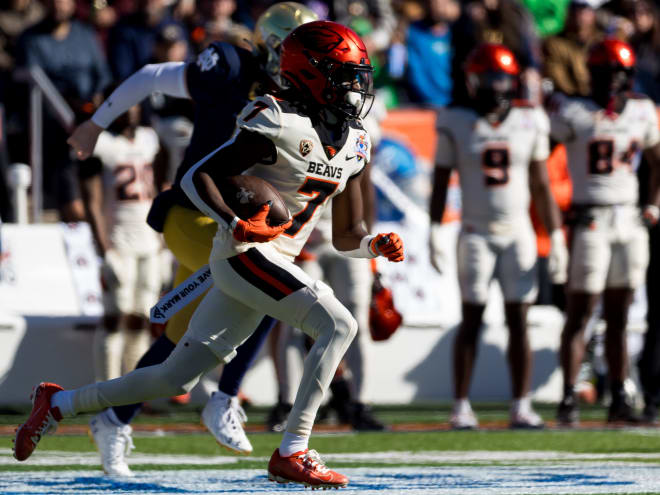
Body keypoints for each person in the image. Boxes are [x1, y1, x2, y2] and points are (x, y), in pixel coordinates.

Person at [13, 20, 404, 490]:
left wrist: (371, 246)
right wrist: (232, 221)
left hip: (273, 260)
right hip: (246, 253)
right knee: (338, 324)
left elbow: (347, 233)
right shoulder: (279, 121)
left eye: (357, 76)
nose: (356, 87)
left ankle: (59, 404)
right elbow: (199, 176)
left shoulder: (357, 141)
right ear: (311, 76)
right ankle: (292, 450)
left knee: (173, 378)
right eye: (345, 76)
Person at [66, 2, 318, 476]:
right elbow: (148, 77)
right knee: (271, 284)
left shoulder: (301, 97)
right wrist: (94, 123)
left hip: (237, 220)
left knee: (179, 344)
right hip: (195, 211)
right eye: (296, 53)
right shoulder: (231, 67)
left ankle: (113, 419)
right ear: (272, 46)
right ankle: (224, 396)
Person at [429, 43, 568, 429]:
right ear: (472, 81)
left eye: (500, 78)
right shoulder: (455, 120)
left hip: (518, 232)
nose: (494, 86)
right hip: (474, 231)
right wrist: (436, 226)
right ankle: (461, 405)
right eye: (487, 78)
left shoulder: (530, 119)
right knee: (471, 317)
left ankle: (521, 404)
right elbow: (440, 180)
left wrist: (555, 235)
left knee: (518, 319)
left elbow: (541, 185)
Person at [551, 39, 660, 426]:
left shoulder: (644, 110)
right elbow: (537, 159)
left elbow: (656, 160)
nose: (611, 80)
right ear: (592, 74)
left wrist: (652, 204)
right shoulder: (573, 110)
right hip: (590, 218)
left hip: (628, 220)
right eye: (605, 72)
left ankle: (618, 397)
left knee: (620, 315)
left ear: (628, 76)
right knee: (581, 313)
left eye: (618, 73)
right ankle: (568, 397)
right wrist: (559, 209)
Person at [79, 101, 162, 383]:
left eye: (136, 104)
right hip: (119, 242)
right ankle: (107, 389)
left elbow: (161, 184)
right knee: (115, 319)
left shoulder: (150, 139)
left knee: (141, 318)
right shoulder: (102, 144)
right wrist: (104, 249)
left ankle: (132, 388)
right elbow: (91, 202)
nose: (131, 110)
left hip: (149, 241)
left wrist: (162, 238)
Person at [16, 0, 111, 221]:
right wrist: (70, 113)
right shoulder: (30, 39)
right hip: (55, 125)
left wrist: (96, 105)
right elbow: (34, 85)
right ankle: (75, 211)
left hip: (92, 118)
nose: (59, 5)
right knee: (66, 156)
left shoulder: (85, 34)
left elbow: (102, 75)